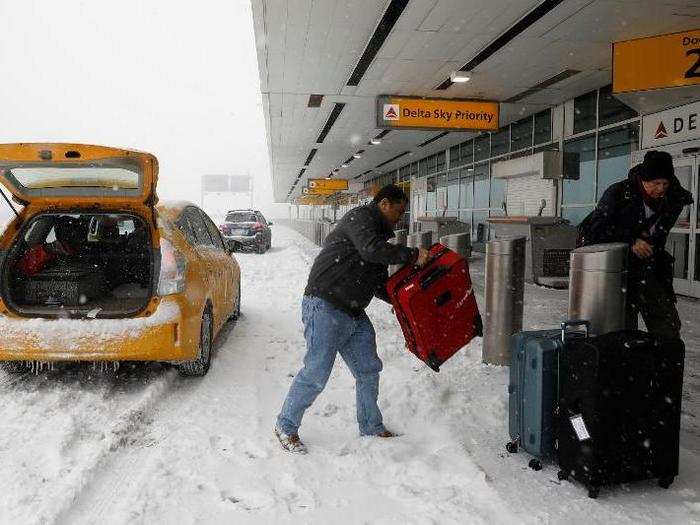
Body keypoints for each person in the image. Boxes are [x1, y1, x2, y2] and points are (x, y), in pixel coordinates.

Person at [275, 184, 430, 453]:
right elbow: (370, 250)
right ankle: (285, 426)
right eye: (399, 210)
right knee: (316, 373)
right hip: (325, 305)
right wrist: (413, 255)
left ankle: (370, 425)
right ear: (383, 203)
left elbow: (379, 282)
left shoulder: (379, 238)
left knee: (369, 369)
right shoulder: (360, 219)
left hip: (353, 312)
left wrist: (404, 301)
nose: (401, 216)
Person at [578, 150, 693, 339]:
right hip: (619, 270)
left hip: (651, 268)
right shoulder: (619, 193)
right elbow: (594, 230)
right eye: (655, 183)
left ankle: (666, 364)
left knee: (667, 328)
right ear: (643, 180)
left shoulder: (674, 198)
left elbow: (660, 234)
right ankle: (629, 363)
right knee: (623, 329)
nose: (661, 189)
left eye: (665, 183)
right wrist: (630, 240)